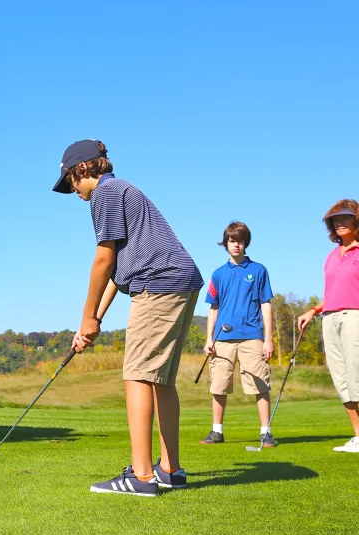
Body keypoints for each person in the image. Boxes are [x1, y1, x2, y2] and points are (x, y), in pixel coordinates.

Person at [53, 139, 203, 497]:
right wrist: (95, 320)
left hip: (158, 284)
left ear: (83, 170)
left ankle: (141, 476)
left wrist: (86, 315)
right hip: (179, 281)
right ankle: (169, 469)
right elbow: (119, 275)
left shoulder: (106, 193)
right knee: (161, 379)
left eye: (71, 183)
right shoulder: (123, 189)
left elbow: (103, 260)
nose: (74, 192)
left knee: (137, 374)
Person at [200, 222, 275, 446]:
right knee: (219, 385)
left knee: (260, 384)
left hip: (252, 336)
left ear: (245, 244)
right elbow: (213, 308)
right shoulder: (218, 274)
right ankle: (217, 432)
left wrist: (268, 338)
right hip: (222, 340)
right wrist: (208, 338)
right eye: (232, 241)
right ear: (226, 243)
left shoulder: (258, 270)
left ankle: (265, 432)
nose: (236, 245)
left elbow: (266, 304)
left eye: (240, 241)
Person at [297, 199, 359, 453]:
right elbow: (334, 292)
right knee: (342, 380)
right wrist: (313, 310)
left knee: (357, 377)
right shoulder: (332, 256)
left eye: (345, 217)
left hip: (355, 316)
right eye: (335, 219)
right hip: (330, 318)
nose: (339, 222)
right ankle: (358, 436)